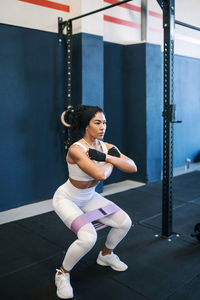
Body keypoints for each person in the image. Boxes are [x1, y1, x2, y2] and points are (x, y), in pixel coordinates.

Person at [53, 105, 137, 299]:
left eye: (104, 123)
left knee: (125, 222)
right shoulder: (77, 149)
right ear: (86, 126)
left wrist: (106, 156)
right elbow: (100, 174)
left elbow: (132, 166)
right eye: (97, 123)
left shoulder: (106, 147)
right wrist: (112, 160)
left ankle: (106, 255)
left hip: (89, 197)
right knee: (88, 237)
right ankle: (62, 273)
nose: (103, 127)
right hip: (67, 198)